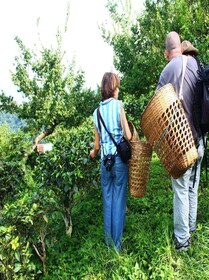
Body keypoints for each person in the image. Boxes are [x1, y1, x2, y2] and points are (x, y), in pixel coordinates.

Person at [157, 32, 205, 251]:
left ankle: (182, 242)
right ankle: (192, 229)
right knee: (192, 187)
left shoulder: (167, 70)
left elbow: (158, 109)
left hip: (181, 143)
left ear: (167, 52)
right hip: (200, 139)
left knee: (180, 189)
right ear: (182, 47)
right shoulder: (196, 65)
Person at [89, 72, 132, 252]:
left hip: (104, 163)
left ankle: (108, 244)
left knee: (108, 202)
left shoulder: (96, 112)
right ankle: (117, 245)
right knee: (119, 201)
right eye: (117, 86)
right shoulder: (118, 106)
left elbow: (96, 146)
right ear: (113, 88)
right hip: (119, 162)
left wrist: (92, 153)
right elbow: (128, 135)